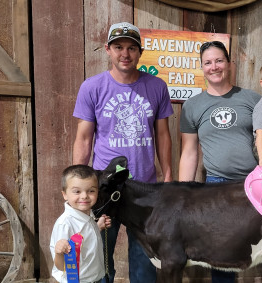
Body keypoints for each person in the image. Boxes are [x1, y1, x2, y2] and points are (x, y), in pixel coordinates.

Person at [72, 21, 173, 283]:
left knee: (144, 261)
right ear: (107, 49)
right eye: (118, 47)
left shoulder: (157, 87)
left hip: (144, 188)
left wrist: (169, 177)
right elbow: (84, 139)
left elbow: (163, 135)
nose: (124, 54)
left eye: (131, 48)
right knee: (100, 258)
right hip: (105, 187)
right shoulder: (92, 87)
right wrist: (77, 185)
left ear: (140, 52)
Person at [179, 41, 262, 283]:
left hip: (256, 182)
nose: (214, 67)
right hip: (217, 186)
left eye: (219, 61)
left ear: (228, 64)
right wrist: (183, 193)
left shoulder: (252, 98)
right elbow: (189, 152)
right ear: (202, 67)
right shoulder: (192, 106)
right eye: (208, 62)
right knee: (221, 248)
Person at [50, 164, 112, 283]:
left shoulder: (88, 215)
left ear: (97, 191)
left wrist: (98, 226)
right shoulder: (65, 224)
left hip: (95, 278)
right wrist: (58, 253)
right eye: (77, 191)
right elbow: (60, 266)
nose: (84, 196)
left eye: (91, 191)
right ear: (64, 194)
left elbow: (83, 237)